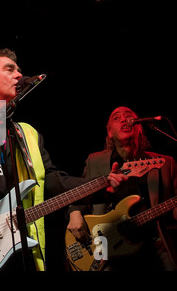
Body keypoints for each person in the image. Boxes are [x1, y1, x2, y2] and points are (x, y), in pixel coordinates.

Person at [0, 48, 127, 271]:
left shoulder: (28, 134)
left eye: (19, 70)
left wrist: (100, 184)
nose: (19, 75)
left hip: (19, 250)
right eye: (9, 69)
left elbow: (51, 180)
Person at [67, 106, 177, 270]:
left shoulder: (165, 163)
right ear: (110, 132)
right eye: (117, 118)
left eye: (129, 116)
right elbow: (80, 197)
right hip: (105, 243)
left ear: (139, 127)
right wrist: (74, 214)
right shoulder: (95, 161)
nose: (124, 120)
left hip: (154, 243)